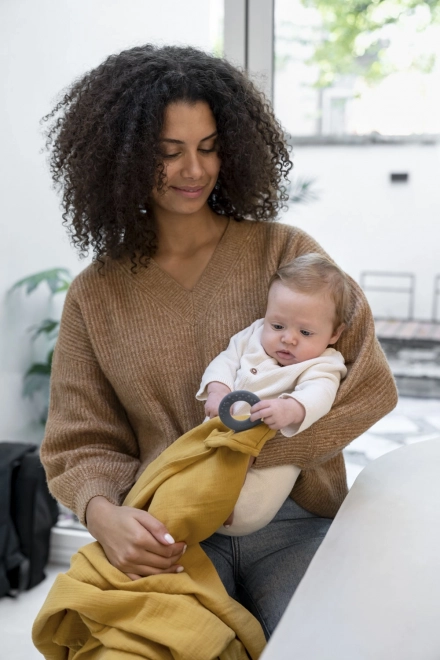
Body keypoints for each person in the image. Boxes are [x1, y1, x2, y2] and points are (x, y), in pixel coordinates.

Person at [39, 43, 398, 639]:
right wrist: (105, 517)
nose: (194, 170)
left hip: (294, 519)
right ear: (121, 158)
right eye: (168, 153)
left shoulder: (287, 254)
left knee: (325, 644)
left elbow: (368, 387)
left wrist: (240, 461)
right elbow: (79, 440)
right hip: (170, 534)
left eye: (208, 148)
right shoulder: (94, 294)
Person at [196, 253, 349, 536]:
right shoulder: (251, 336)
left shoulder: (323, 363)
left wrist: (291, 408)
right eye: (277, 326)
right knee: (193, 465)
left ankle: (229, 507)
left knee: (249, 505)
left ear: (334, 334)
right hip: (223, 428)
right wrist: (218, 390)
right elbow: (225, 361)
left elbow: (320, 393)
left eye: (305, 332)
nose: (288, 338)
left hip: (270, 446)